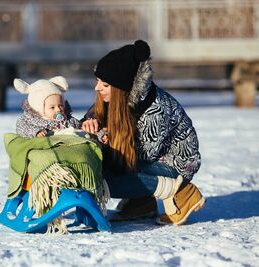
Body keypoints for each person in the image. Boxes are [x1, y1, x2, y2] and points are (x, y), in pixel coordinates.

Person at [81, 40, 204, 225]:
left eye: (105, 85)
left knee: (105, 179)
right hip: (146, 160)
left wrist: (104, 140)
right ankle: (141, 203)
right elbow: (93, 122)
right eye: (98, 81)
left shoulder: (155, 110)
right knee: (101, 165)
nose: (97, 88)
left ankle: (181, 191)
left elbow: (140, 156)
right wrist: (88, 124)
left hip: (176, 165)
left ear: (122, 89)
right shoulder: (113, 99)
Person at [14, 76, 81, 138]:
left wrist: (81, 126)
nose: (58, 109)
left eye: (60, 105)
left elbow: (76, 124)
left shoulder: (66, 118)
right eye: (52, 107)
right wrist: (36, 132)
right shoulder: (31, 119)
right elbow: (21, 127)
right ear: (39, 109)